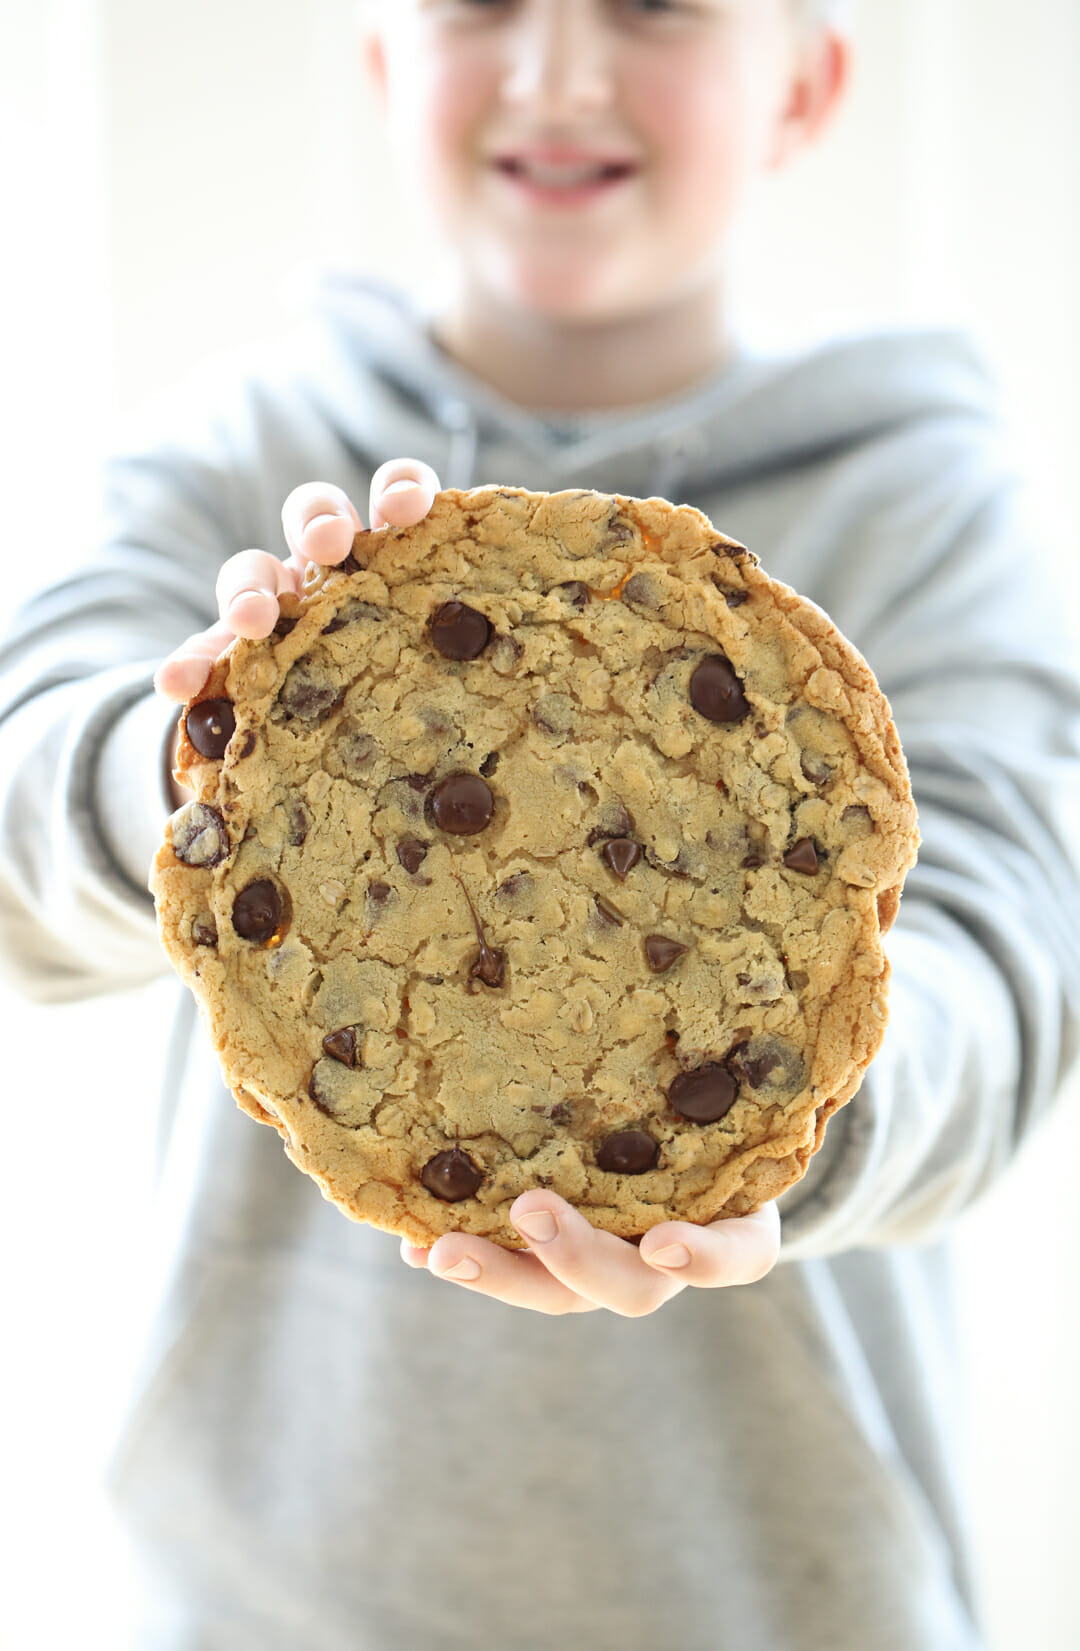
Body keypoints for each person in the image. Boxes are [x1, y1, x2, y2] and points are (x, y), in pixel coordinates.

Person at [2, 0, 1079, 1644]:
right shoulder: (232, 459)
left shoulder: (922, 502)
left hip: (776, 1601)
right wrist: (188, 757)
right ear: (380, 65)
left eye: (653, 6)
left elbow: (1012, 967)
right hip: (251, 1593)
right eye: (481, 3)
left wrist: (792, 1134)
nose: (560, 69)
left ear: (806, 81)